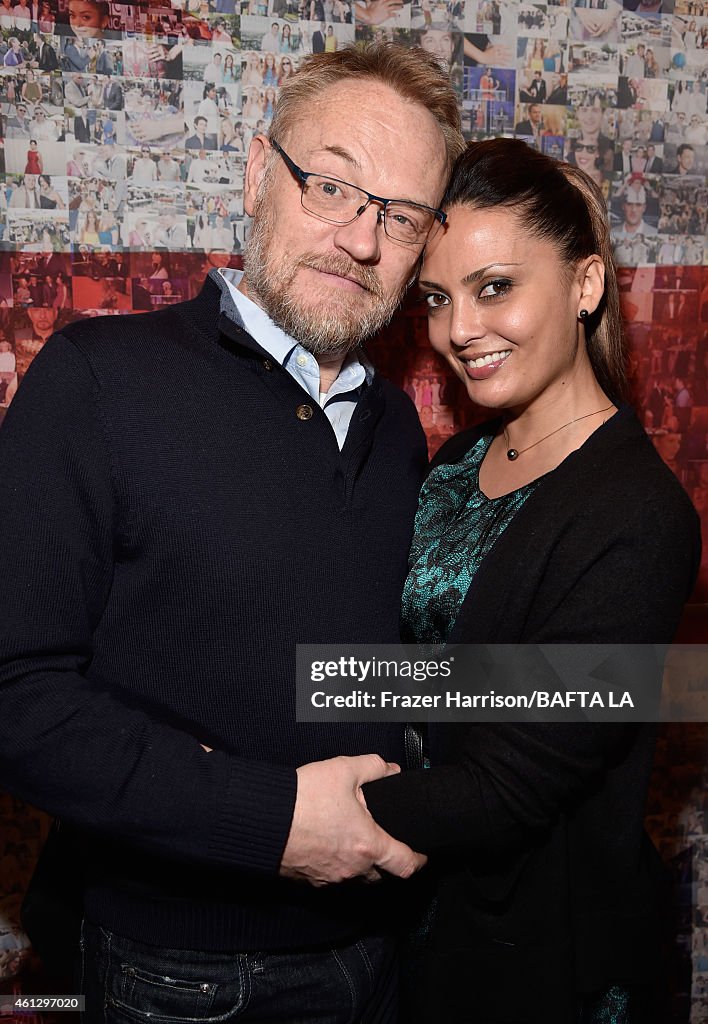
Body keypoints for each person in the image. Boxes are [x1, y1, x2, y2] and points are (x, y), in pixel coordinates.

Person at [0, 43, 464, 1024]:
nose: (359, 237)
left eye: (402, 214)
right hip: (182, 976)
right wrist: (278, 819)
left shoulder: (396, 430)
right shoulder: (99, 380)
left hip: (388, 956)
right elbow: (16, 699)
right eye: (332, 184)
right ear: (260, 173)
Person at [359, 138, 701, 1023]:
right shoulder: (459, 460)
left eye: (494, 287)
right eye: (437, 298)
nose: (456, 330)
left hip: (539, 958)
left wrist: (293, 814)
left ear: (586, 285)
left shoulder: (640, 515)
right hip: (420, 919)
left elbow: (518, 779)